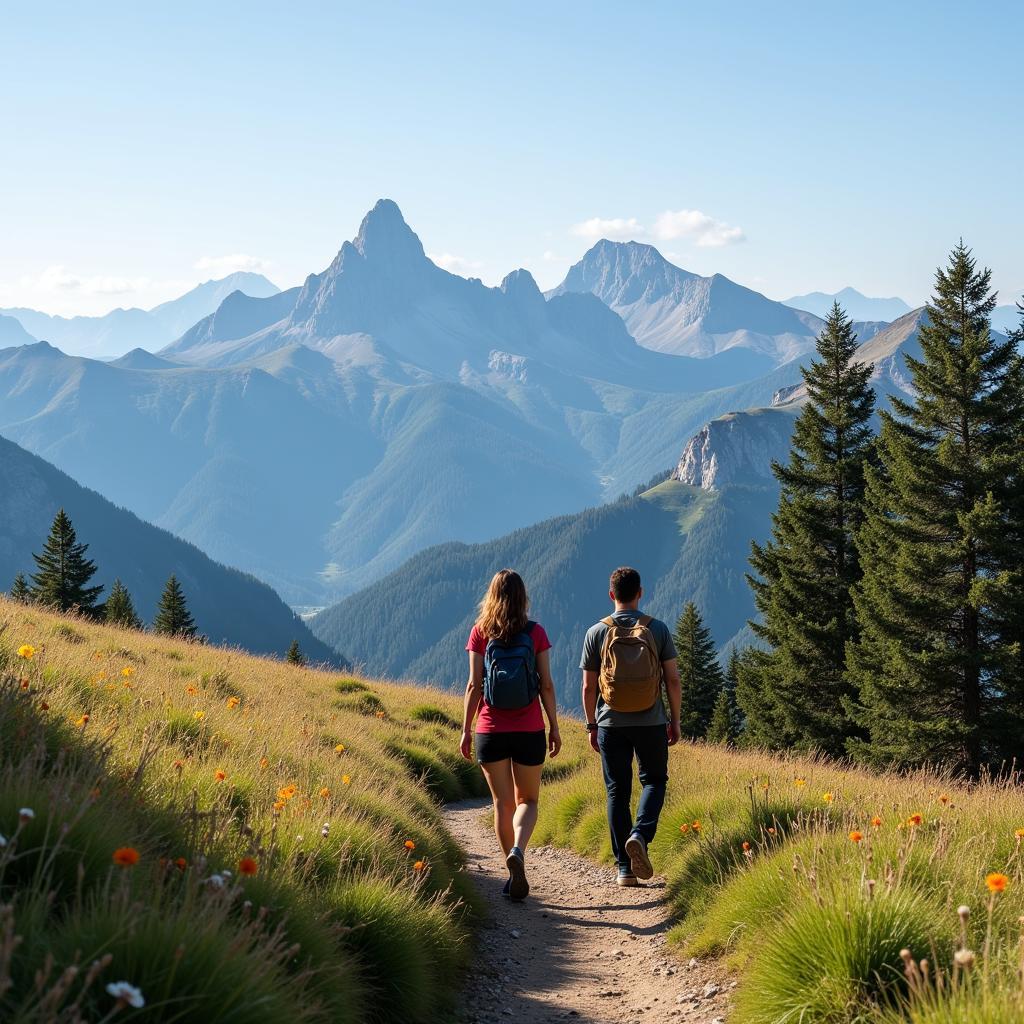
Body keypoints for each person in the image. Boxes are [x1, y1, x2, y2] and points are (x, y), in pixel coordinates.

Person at [460, 569, 561, 900]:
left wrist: (465, 730)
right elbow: (545, 683)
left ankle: (511, 869)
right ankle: (519, 848)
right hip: (530, 728)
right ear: (523, 597)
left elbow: (475, 685)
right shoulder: (535, 633)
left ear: (491, 596)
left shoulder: (480, 633)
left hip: (490, 729)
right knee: (527, 800)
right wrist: (555, 727)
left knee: (501, 803)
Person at [580, 566, 681, 886]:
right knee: (654, 780)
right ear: (641, 593)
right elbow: (673, 680)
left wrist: (592, 724)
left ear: (612, 595)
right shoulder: (658, 629)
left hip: (611, 723)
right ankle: (640, 834)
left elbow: (588, 687)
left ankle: (624, 869)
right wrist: (674, 720)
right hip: (651, 721)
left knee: (617, 792)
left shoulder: (596, 632)